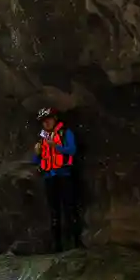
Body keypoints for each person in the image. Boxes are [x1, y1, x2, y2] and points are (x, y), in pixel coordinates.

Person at [36, 107, 80, 252]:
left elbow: (72, 150)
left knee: (69, 209)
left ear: (55, 118)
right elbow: (38, 159)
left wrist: (56, 146)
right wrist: (37, 154)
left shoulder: (65, 133)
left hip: (64, 176)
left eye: (48, 119)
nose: (46, 123)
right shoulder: (42, 138)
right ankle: (57, 246)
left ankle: (76, 243)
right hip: (50, 177)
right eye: (43, 121)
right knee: (54, 212)